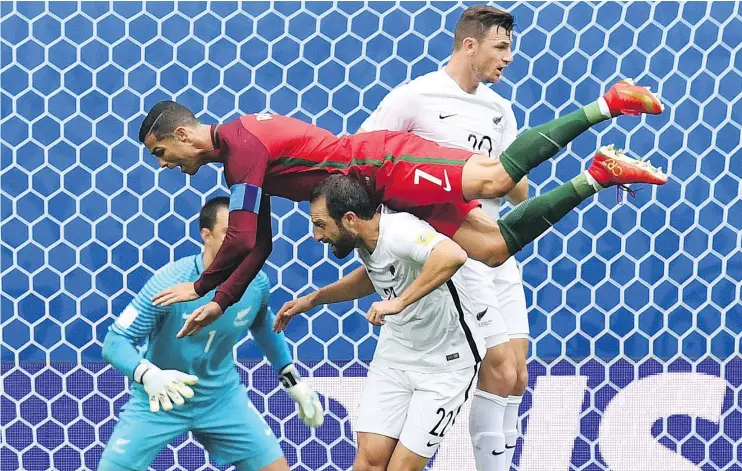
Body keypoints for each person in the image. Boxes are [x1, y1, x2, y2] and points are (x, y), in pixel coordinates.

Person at [141, 77, 664, 335]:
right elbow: (260, 243)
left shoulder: (242, 146)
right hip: (380, 193)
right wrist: (225, 300)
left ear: (185, 134)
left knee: (497, 177)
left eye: (162, 153)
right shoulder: (239, 162)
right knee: (492, 247)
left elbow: (240, 237)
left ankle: (606, 103)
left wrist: (202, 285)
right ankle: (599, 175)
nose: (166, 165)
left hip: (381, 163)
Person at [357, 6, 530, 469]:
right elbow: (362, 158)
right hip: (456, 251)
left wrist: (504, 167)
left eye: (510, 47)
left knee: (517, 377)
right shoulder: (415, 97)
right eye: (501, 46)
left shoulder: (500, 110)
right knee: (498, 367)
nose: (509, 57)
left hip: (498, 250)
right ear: (468, 45)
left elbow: (515, 187)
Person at [274, 174, 486, 471]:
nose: (316, 236)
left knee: (402, 468)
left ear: (349, 219)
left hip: (446, 366)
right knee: (368, 462)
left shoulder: (400, 230)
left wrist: (399, 302)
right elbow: (377, 273)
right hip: (395, 356)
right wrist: (315, 298)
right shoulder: (366, 239)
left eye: (320, 224)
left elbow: (452, 255)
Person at [97, 197, 324, 471]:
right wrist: (149, 375)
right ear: (206, 235)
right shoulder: (170, 282)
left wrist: (293, 381)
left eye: (245, 235)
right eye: (230, 234)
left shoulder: (256, 284)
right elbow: (115, 342)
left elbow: (264, 325)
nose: (241, 243)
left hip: (222, 399)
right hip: (161, 398)